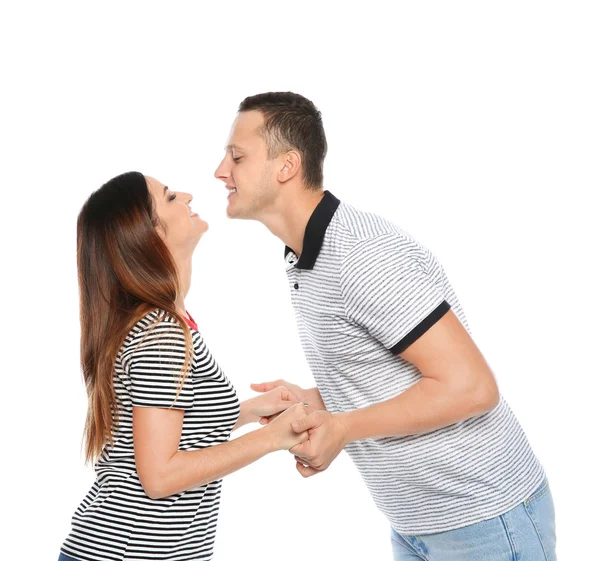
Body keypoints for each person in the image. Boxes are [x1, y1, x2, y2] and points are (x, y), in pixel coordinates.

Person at [215, 92, 557, 560]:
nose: (221, 171)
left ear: (286, 166)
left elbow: (472, 387)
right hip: (416, 525)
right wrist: (319, 401)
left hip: (484, 519)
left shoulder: (361, 254)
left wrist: (343, 425)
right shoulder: (304, 257)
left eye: (236, 156)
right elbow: (396, 371)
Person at [58, 171, 309, 561]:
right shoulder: (160, 334)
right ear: (151, 235)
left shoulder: (167, 321)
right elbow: (160, 476)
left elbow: (168, 427)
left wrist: (248, 411)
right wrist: (272, 438)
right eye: (171, 196)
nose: (188, 195)